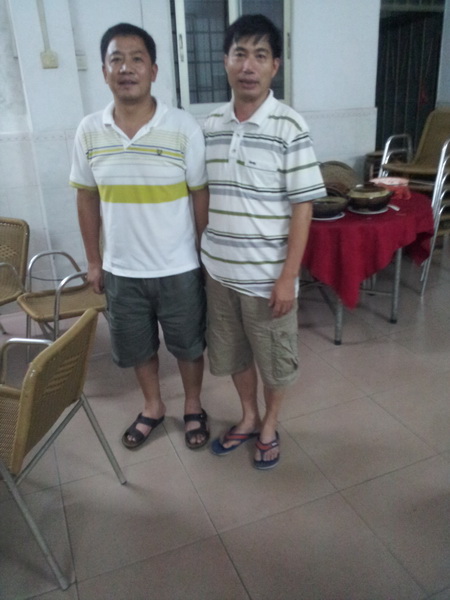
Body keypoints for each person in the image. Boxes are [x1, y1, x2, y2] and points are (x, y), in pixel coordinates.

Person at [70, 23, 210, 451]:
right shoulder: (89, 130)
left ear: (153, 70)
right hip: (122, 269)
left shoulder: (183, 127)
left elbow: (199, 194)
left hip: (178, 265)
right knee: (137, 346)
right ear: (104, 71)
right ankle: (153, 406)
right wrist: (94, 261)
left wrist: (201, 254)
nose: (126, 68)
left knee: (188, 345)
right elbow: (87, 198)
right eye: (116, 59)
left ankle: (192, 405)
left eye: (136, 59)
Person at [201, 14, 325, 469]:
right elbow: (203, 195)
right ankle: (248, 416)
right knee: (232, 353)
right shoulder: (210, 125)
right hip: (219, 274)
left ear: (275, 65)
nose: (248, 66)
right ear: (225, 61)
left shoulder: (290, 126)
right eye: (239, 54)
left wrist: (288, 277)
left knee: (275, 360)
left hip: (267, 278)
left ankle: (270, 423)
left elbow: (303, 206)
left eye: (259, 55)